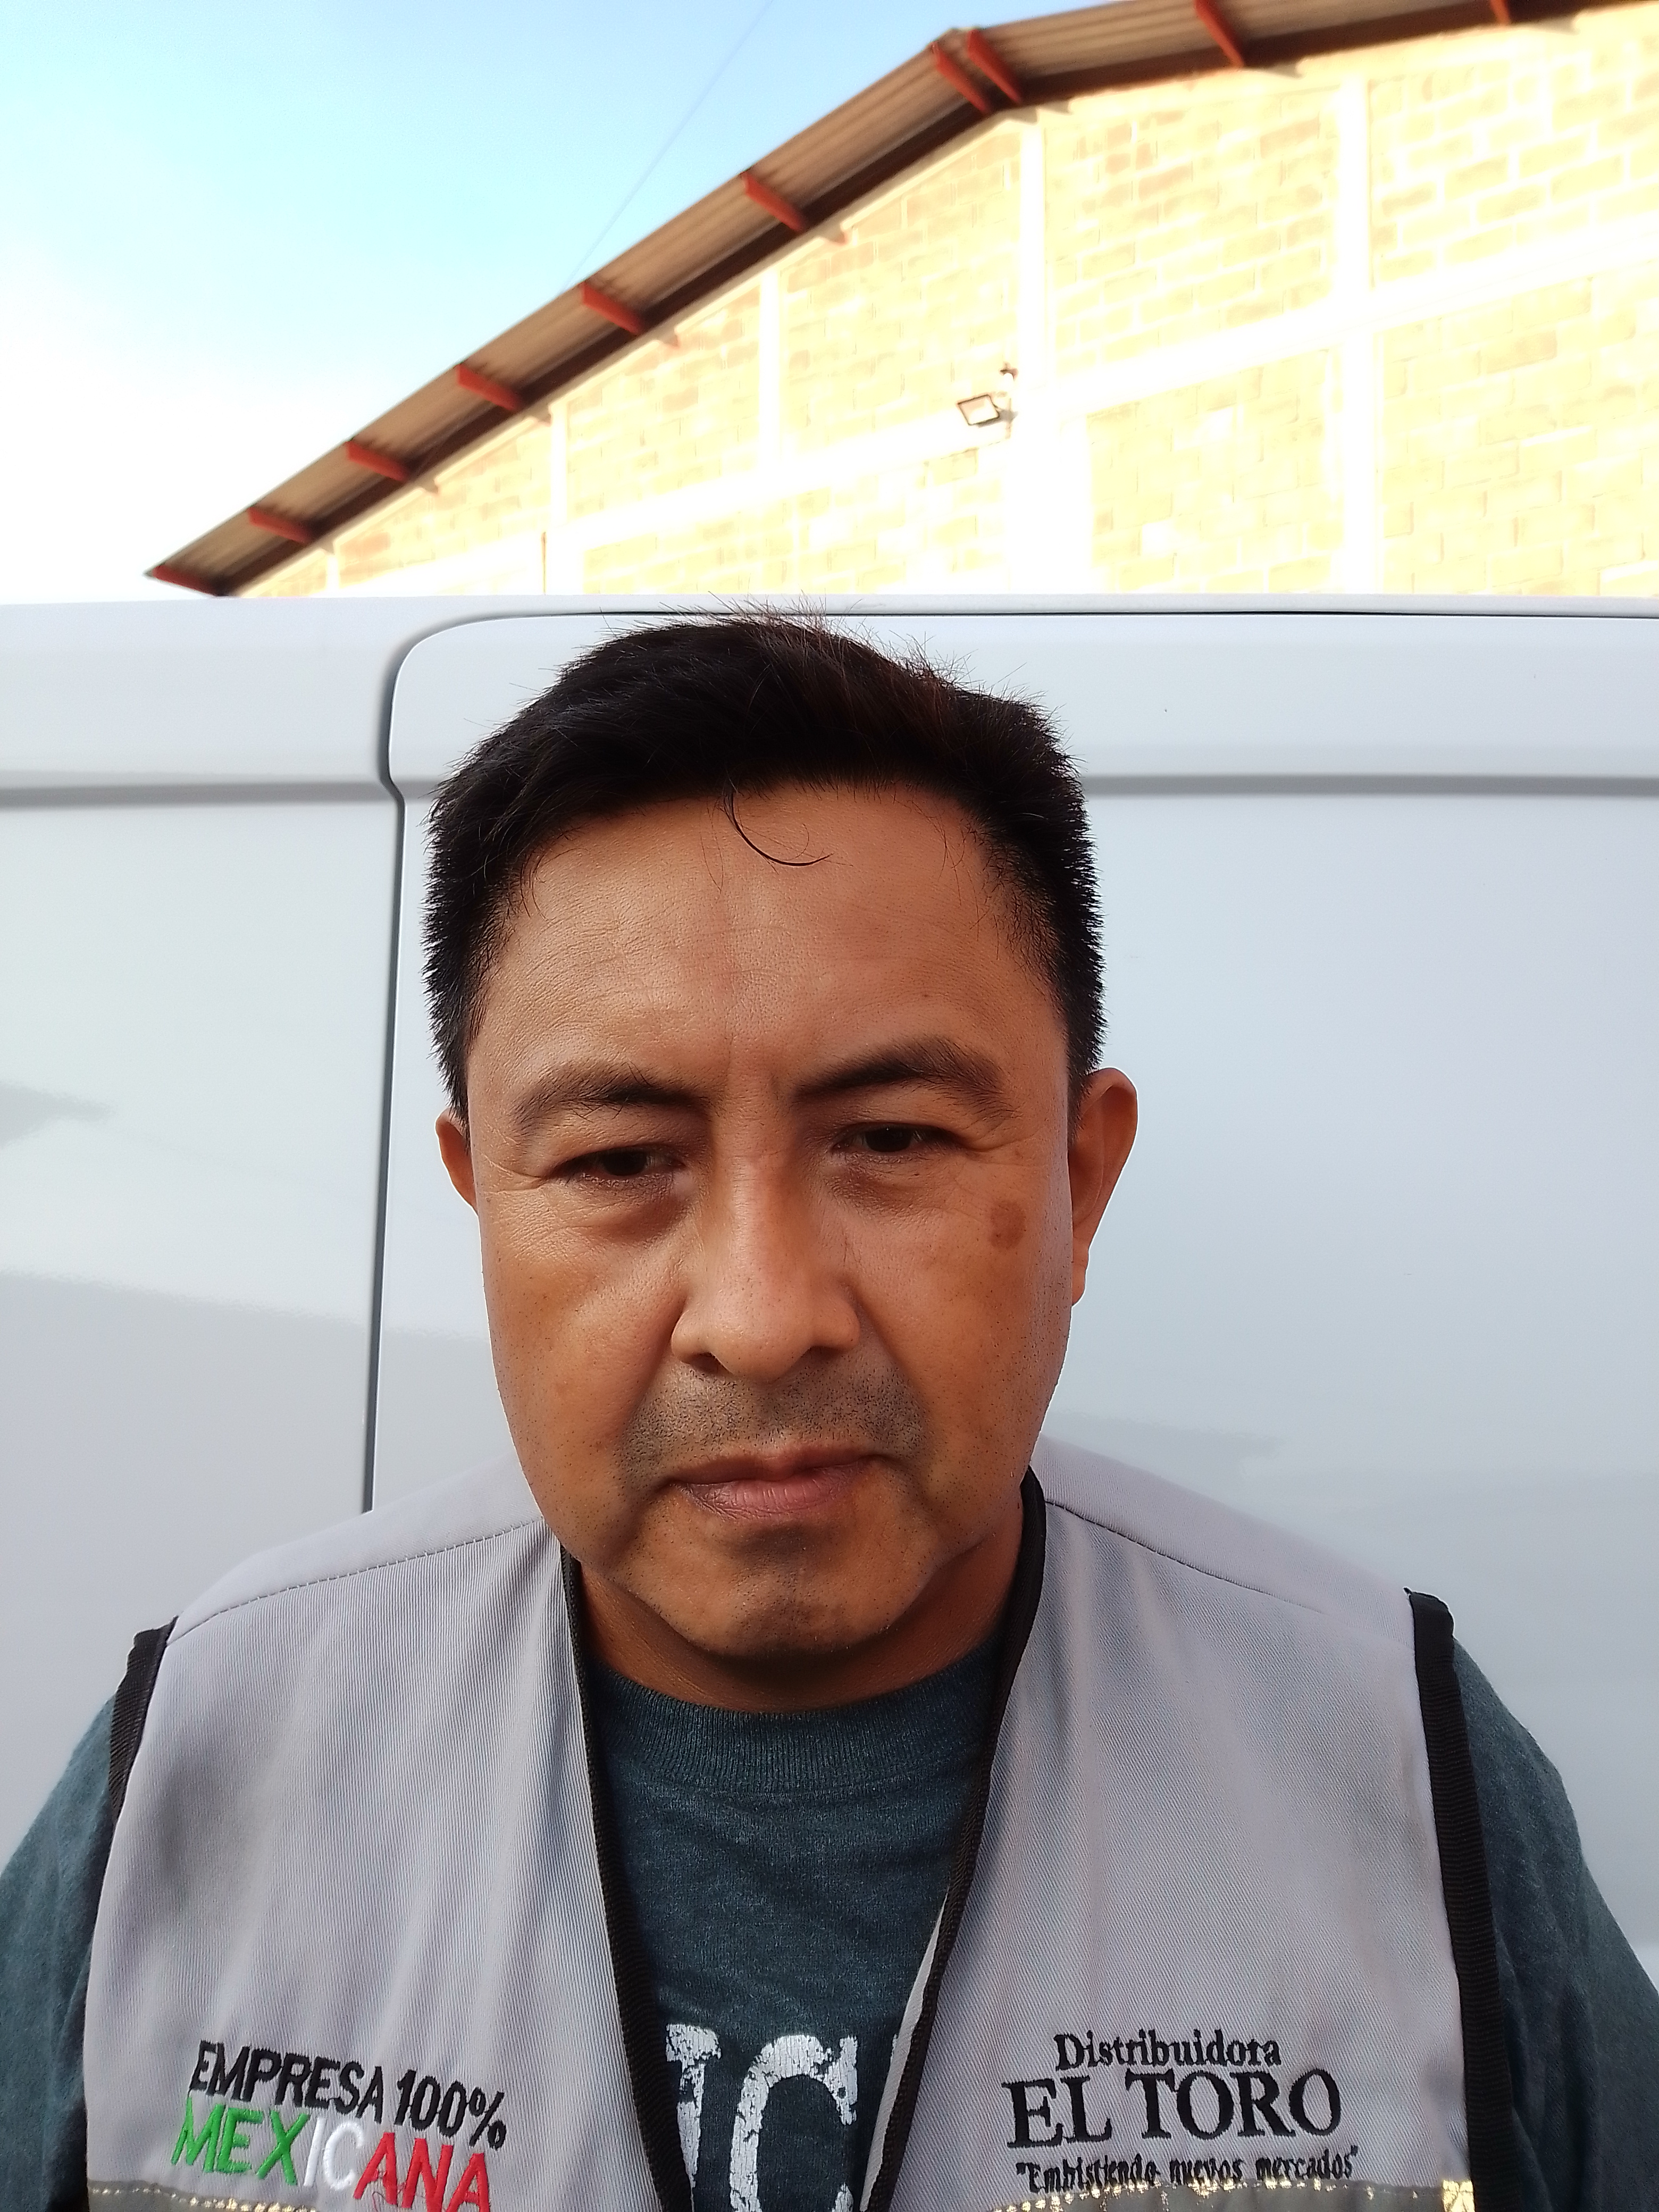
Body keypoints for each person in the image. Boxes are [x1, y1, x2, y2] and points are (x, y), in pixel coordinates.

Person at [2, 614, 1655, 2212]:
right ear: (482, 1194)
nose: (762, 1316)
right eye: (617, 1160)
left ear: (1080, 1180)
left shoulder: (1393, 1764)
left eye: (893, 1139)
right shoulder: (203, 1755)